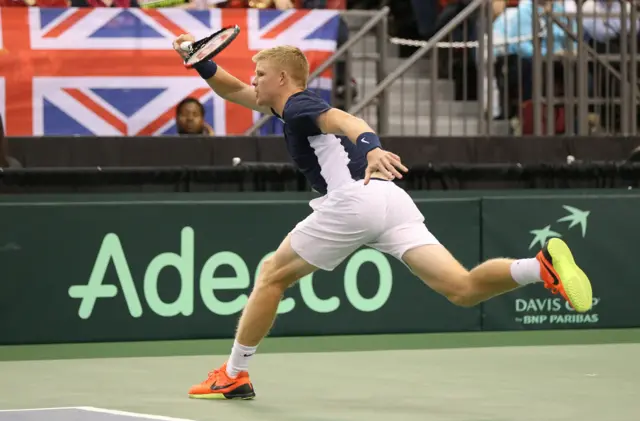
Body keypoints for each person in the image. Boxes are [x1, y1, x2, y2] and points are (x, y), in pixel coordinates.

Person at [172, 34, 593, 401]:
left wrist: (371, 146)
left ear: (282, 78)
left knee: (271, 276)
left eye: (260, 73)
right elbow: (232, 91)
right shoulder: (289, 108)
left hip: (354, 200)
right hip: (390, 200)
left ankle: (232, 375)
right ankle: (538, 268)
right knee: (461, 288)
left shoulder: (300, 105)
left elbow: (347, 120)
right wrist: (198, 60)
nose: (254, 80)